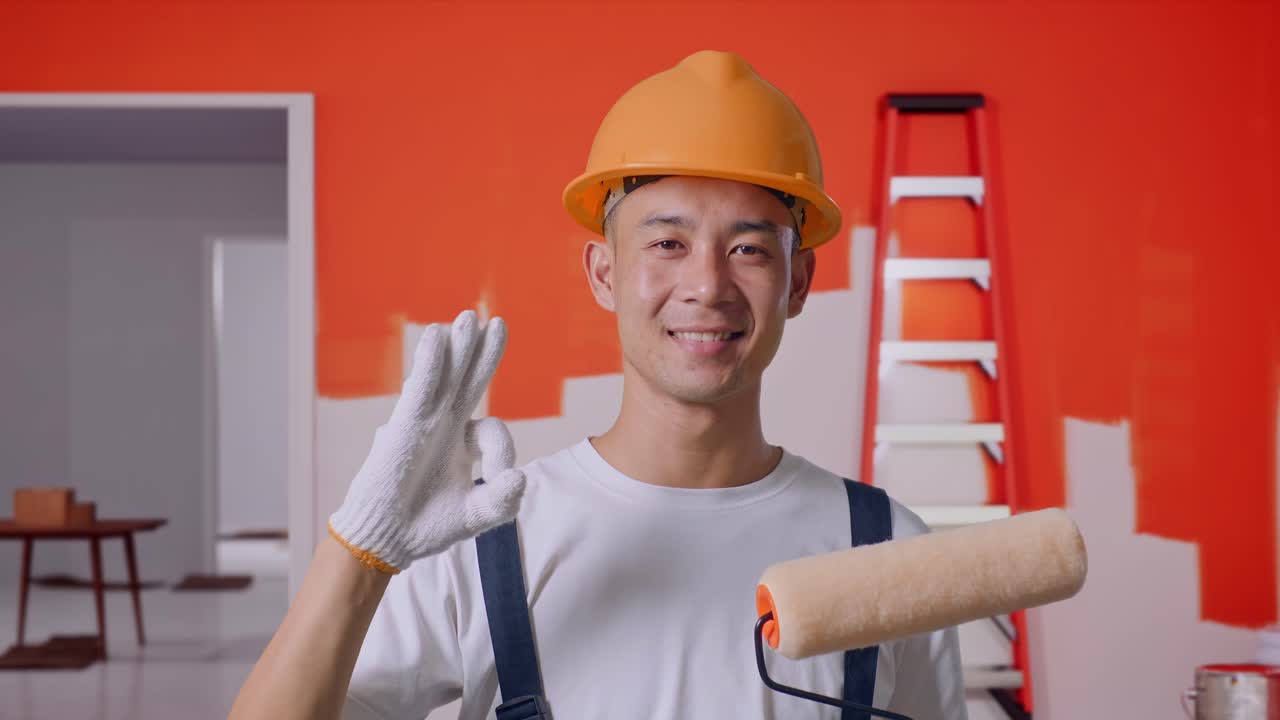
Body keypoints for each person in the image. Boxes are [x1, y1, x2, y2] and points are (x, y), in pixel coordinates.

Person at [230, 50, 967, 720]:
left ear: (798, 281)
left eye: (747, 248)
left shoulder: (887, 553)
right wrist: (358, 555)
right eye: (667, 243)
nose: (707, 285)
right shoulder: (485, 537)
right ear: (604, 273)